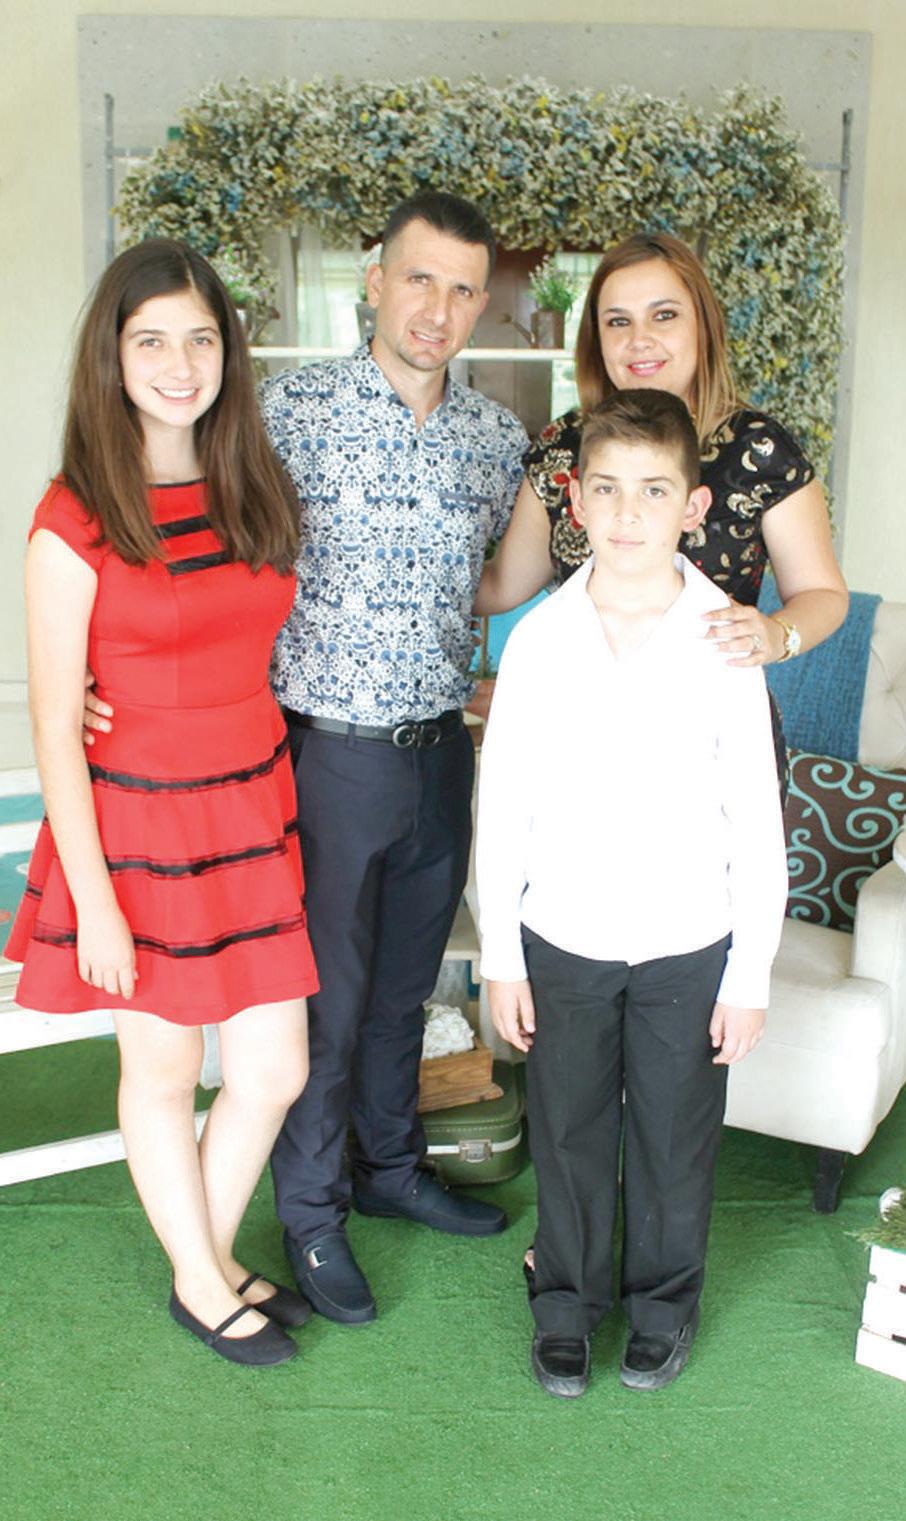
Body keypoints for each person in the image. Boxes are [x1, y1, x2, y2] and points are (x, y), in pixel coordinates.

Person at [7, 239, 319, 1367]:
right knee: (166, 1070)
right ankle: (202, 1279)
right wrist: (94, 903)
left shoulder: (250, 483)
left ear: (228, 352)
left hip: (250, 810)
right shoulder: (73, 516)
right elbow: (56, 725)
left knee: (275, 1068)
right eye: (151, 341)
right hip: (137, 825)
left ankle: (205, 1260)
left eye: (199, 339)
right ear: (114, 355)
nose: (179, 364)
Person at [476, 389, 789, 1399]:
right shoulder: (539, 640)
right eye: (606, 489)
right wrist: (502, 957)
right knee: (567, 1129)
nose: (627, 512)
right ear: (574, 499)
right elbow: (504, 806)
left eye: (654, 491)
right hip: (562, 935)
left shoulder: (726, 642)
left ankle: (662, 1309)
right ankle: (565, 1305)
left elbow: (757, 816)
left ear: (692, 507)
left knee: (673, 1137)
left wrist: (749, 974)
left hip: (690, 943)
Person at [258, 191, 528, 1322]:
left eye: (463, 289)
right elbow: (217, 558)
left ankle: (390, 1168)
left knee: (406, 990)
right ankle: (312, 1214)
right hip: (327, 752)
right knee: (328, 999)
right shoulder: (288, 411)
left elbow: (500, 583)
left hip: (440, 753)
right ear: (375, 282)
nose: (439, 309)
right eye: (420, 279)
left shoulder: (496, 439)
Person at [474, 230, 848, 670]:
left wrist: (778, 635)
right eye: (618, 322)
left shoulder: (759, 449)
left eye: (664, 315)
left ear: (702, 326)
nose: (640, 339)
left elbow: (822, 593)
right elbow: (502, 586)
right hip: (588, 701)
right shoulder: (563, 447)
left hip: (712, 701)